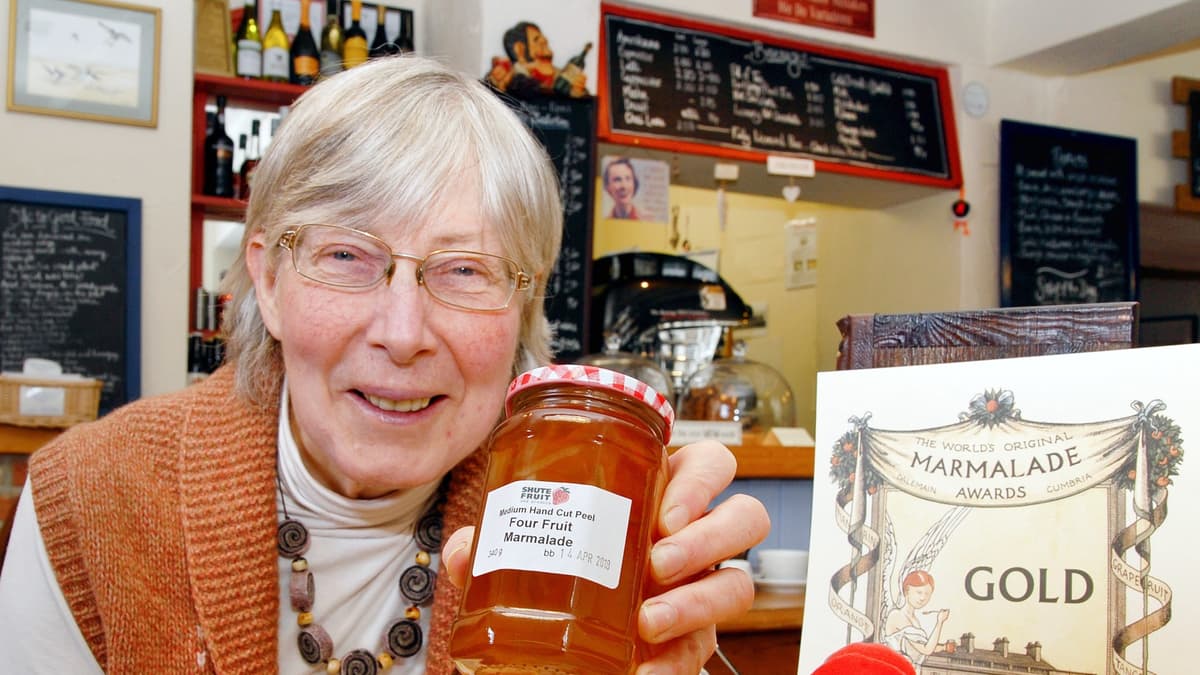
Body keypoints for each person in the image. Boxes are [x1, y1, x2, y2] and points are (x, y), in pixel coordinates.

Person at [0, 56, 768, 674]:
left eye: (467, 270)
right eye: (345, 256)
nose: (403, 334)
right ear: (266, 280)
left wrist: (656, 632)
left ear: (524, 311)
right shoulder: (91, 498)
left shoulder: (584, 514)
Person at [486, 21, 586, 97]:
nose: (545, 41)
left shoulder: (562, 78)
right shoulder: (510, 76)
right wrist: (494, 80)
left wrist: (578, 92)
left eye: (544, 41)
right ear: (519, 49)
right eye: (537, 41)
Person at [883, 570, 950, 665]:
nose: (923, 598)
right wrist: (939, 622)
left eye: (927, 594)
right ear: (907, 591)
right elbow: (926, 649)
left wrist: (944, 647)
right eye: (919, 592)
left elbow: (921, 646)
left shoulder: (915, 620)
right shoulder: (897, 616)